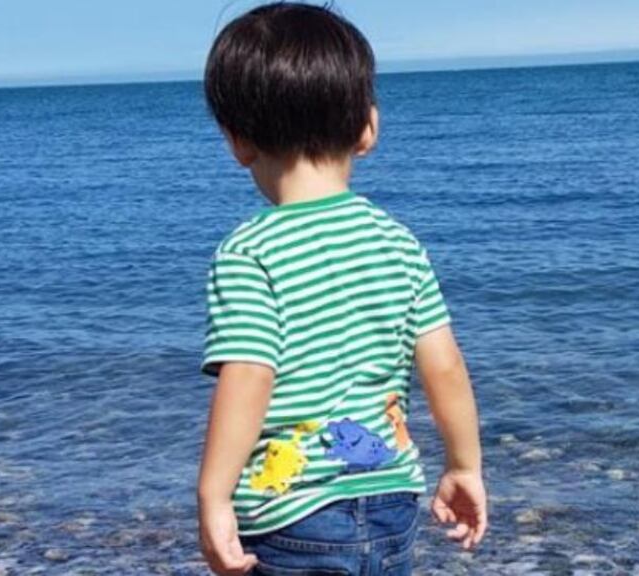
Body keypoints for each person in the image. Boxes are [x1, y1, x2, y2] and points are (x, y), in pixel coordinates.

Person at [194, 3, 487, 575]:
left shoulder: (250, 250)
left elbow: (250, 374)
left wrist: (214, 494)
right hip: (391, 502)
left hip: (290, 516)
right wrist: (465, 466)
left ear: (238, 142)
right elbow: (445, 366)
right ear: (367, 128)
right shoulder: (397, 241)